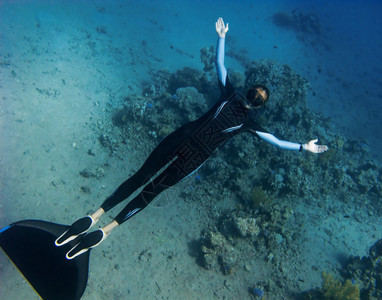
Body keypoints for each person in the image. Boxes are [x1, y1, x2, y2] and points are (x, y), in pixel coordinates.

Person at [56, 17, 328, 260]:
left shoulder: (230, 94)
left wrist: (221, 38)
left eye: (256, 95)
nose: (254, 97)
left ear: (250, 95)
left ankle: (95, 216)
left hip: (180, 139)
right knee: (152, 190)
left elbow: (220, 64)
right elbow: (279, 142)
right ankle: (107, 230)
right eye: (257, 94)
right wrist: (304, 147)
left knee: (142, 177)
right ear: (258, 105)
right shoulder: (251, 123)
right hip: (195, 157)